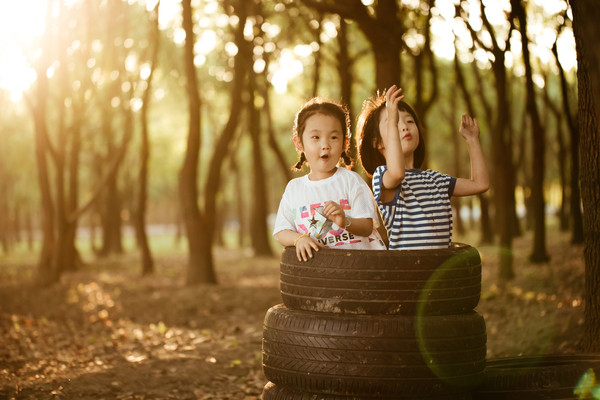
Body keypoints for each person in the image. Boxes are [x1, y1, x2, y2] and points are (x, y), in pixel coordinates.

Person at [357, 85, 489, 250]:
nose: (404, 126)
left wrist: (472, 140)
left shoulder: (436, 180)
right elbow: (397, 173)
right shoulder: (382, 176)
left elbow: (480, 184)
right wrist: (393, 120)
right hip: (408, 272)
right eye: (395, 121)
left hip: (440, 270)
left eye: (410, 121)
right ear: (377, 142)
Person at [273, 97, 386, 262]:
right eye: (316, 137)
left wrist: (344, 221)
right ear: (299, 143)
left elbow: (367, 226)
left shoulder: (351, 181)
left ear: (344, 144)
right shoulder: (294, 189)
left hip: (360, 269)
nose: (325, 144)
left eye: (333, 137)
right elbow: (282, 231)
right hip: (321, 274)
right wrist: (299, 239)